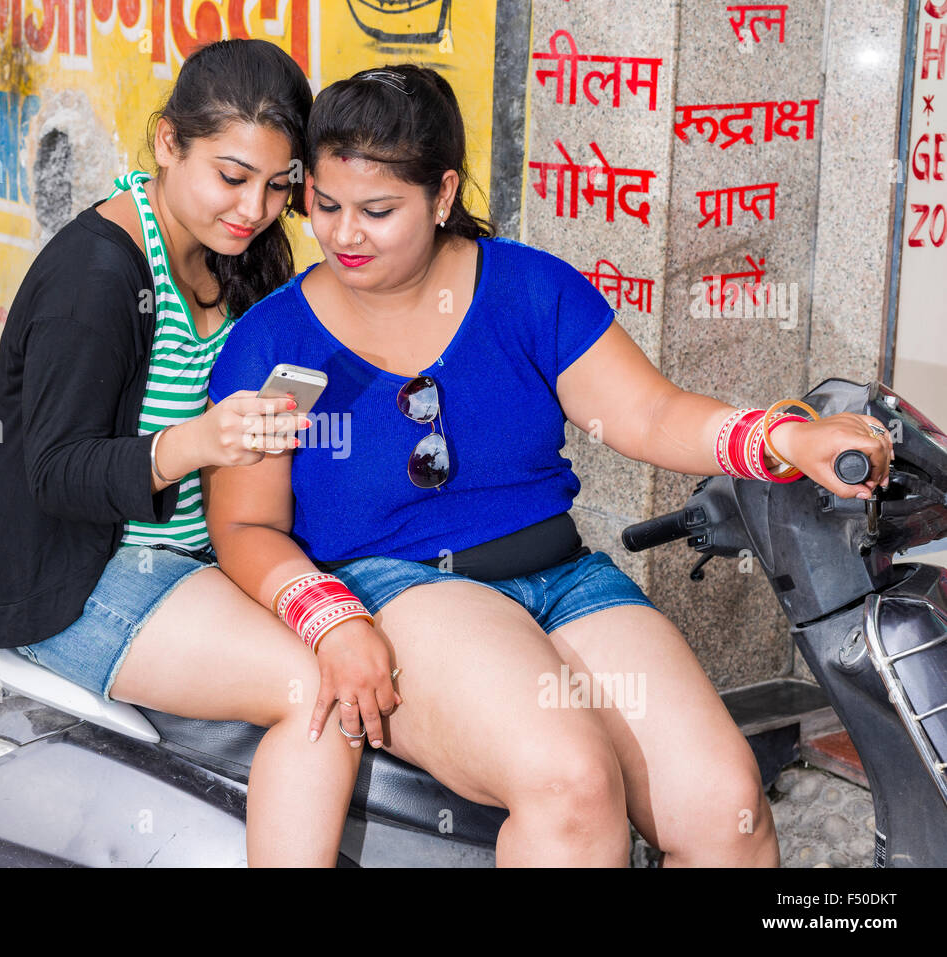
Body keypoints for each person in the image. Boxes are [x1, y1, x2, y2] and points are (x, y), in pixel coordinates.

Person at [203, 64, 895, 867]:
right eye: (325, 206)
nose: (344, 234)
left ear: (441, 193)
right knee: (571, 784)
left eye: (378, 210)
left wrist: (779, 435)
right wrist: (331, 618)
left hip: (562, 580)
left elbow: (648, 413)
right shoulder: (272, 339)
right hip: (406, 589)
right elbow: (244, 524)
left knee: (726, 805)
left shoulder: (529, 288)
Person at [0, 39, 366, 867]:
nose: (253, 208)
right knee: (316, 689)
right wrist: (192, 444)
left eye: (277, 185)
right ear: (167, 143)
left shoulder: (235, 252)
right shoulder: (97, 279)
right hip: (78, 579)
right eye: (231, 175)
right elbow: (56, 473)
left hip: (197, 556)